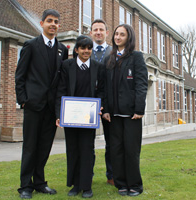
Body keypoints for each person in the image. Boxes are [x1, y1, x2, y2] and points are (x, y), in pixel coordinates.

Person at [15, 9, 68, 199]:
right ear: (42, 24)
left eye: (56, 22)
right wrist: (23, 100)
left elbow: (61, 80)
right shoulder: (30, 45)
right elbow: (20, 76)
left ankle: (39, 183)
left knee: (45, 147)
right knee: (30, 147)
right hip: (33, 105)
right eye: (49, 21)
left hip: (51, 108)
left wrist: (60, 109)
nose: (53, 24)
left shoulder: (63, 50)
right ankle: (25, 186)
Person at [55, 35, 105, 198]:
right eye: (83, 48)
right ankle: (75, 185)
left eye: (89, 48)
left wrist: (100, 106)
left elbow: (101, 91)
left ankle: (87, 186)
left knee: (87, 151)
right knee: (73, 150)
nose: (86, 51)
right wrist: (59, 113)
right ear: (76, 50)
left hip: (88, 118)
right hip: (70, 116)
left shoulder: (98, 67)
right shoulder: (66, 66)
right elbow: (61, 90)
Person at [102, 24, 148, 197]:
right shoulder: (110, 58)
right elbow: (105, 87)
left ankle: (135, 185)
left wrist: (139, 108)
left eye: (122, 34)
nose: (118, 37)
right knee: (116, 150)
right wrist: (106, 109)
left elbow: (141, 84)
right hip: (113, 115)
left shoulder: (136, 57)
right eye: (116, 34)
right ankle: (121, 184)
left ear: (129, 37)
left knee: (131, 151)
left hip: (131, 115)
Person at [89, 19, 114, 186]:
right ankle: (85, 176)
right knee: (86, 143)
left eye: (101, 29)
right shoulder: (83, 49)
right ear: (91, 33)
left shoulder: (114, 52)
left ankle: (111, 176)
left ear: (107, 32)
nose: (98, 32)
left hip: (109, 103)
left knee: (111, 142)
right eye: (95, 30)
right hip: (88, 103)